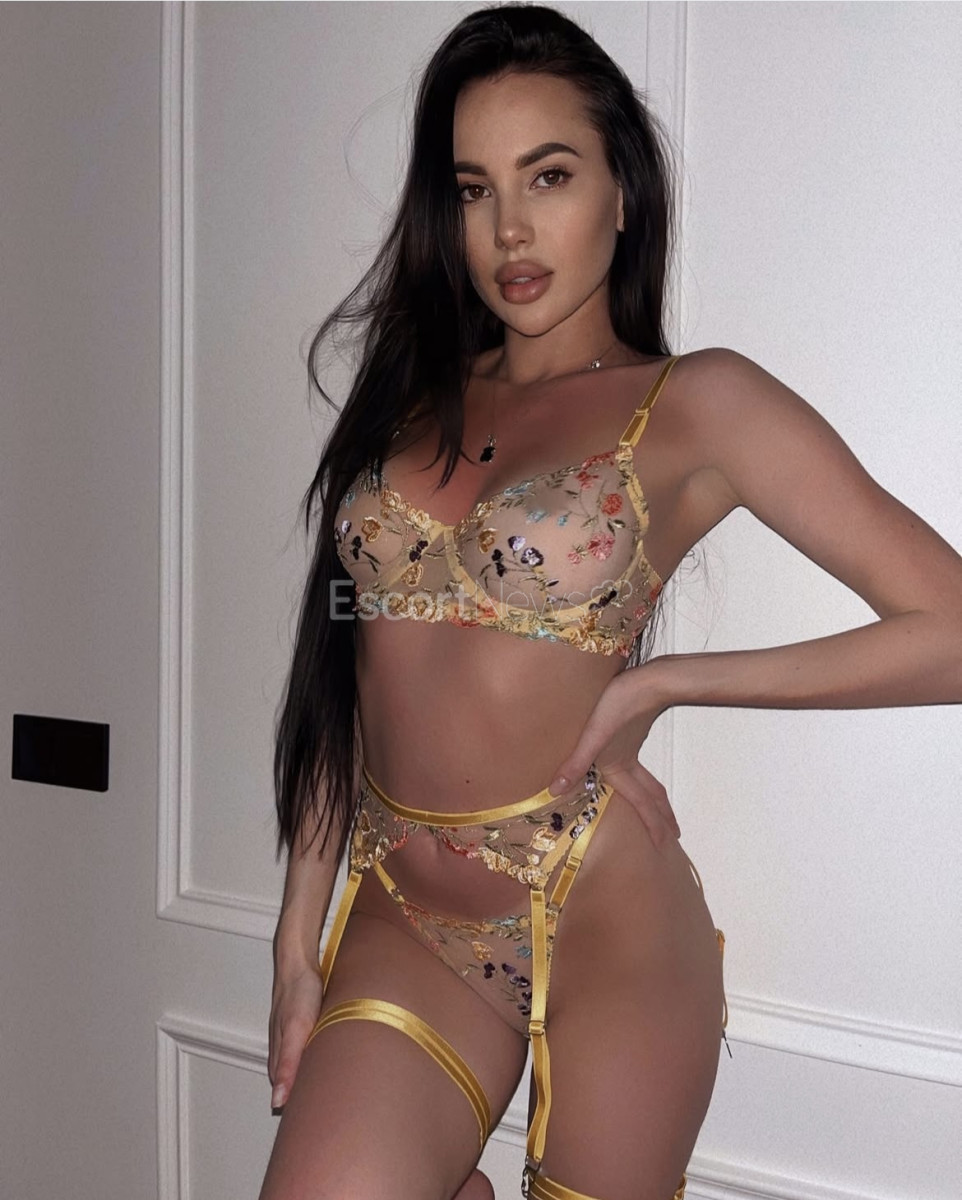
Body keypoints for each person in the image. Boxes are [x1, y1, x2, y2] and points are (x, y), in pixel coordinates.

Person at [259, 6, 962, 1200]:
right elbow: (338, 676)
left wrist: (663, 682)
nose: (509, 229)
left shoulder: (696, 403)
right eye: (473, 189)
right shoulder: (407, 402)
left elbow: (944, 629)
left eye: (548, 176)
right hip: (402, 915)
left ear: (621, 191)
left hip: (604, 924)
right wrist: (293, 946)